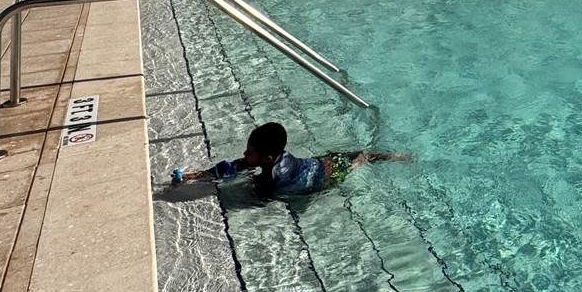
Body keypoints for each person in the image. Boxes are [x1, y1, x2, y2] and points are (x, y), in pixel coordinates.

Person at [173, 122, 410, 197]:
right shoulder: (270, 157)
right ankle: (389, 156)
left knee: (359, 160)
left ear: (267, 158)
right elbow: (235, 166)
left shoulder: (273, 177)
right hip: (315, 163)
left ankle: (395, 157)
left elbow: (263, 195)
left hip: (325, 177)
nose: (245, 154)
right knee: (353, 155)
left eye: (249, 151)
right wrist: (198, 175)